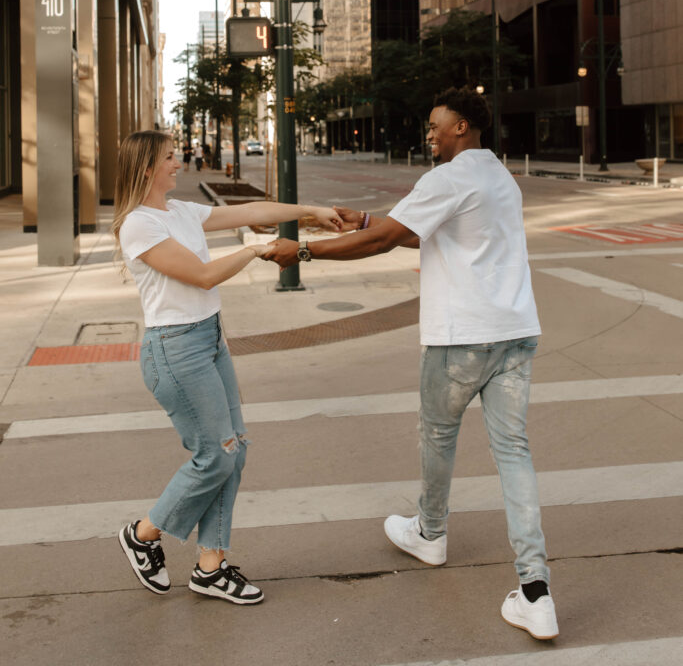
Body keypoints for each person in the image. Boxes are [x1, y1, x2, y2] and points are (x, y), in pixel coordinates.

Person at [261, 87, 558, 640]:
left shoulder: (447, 177)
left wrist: (301, 251)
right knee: (514, 454)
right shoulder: (497, 175)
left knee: (437, 436)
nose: (429, 132)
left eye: (435, 124)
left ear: (462, 126)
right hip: (515, 332)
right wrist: (370, 218)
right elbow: (416, 230)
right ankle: (536, 591)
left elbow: (386, 243)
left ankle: (430, 533)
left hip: (460, 339)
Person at [113, 130, 342, 604]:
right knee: (215, 455)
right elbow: (202, 275)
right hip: (175, 351)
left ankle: (211, 566)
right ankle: (143, 533)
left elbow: (253, 211)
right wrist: (256, 250)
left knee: (233, 451)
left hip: (209, 340)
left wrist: (310, 211)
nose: (179, 163)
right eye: (171, 158)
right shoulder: (138, 224)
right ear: (148, 168)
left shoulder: (179, 211)